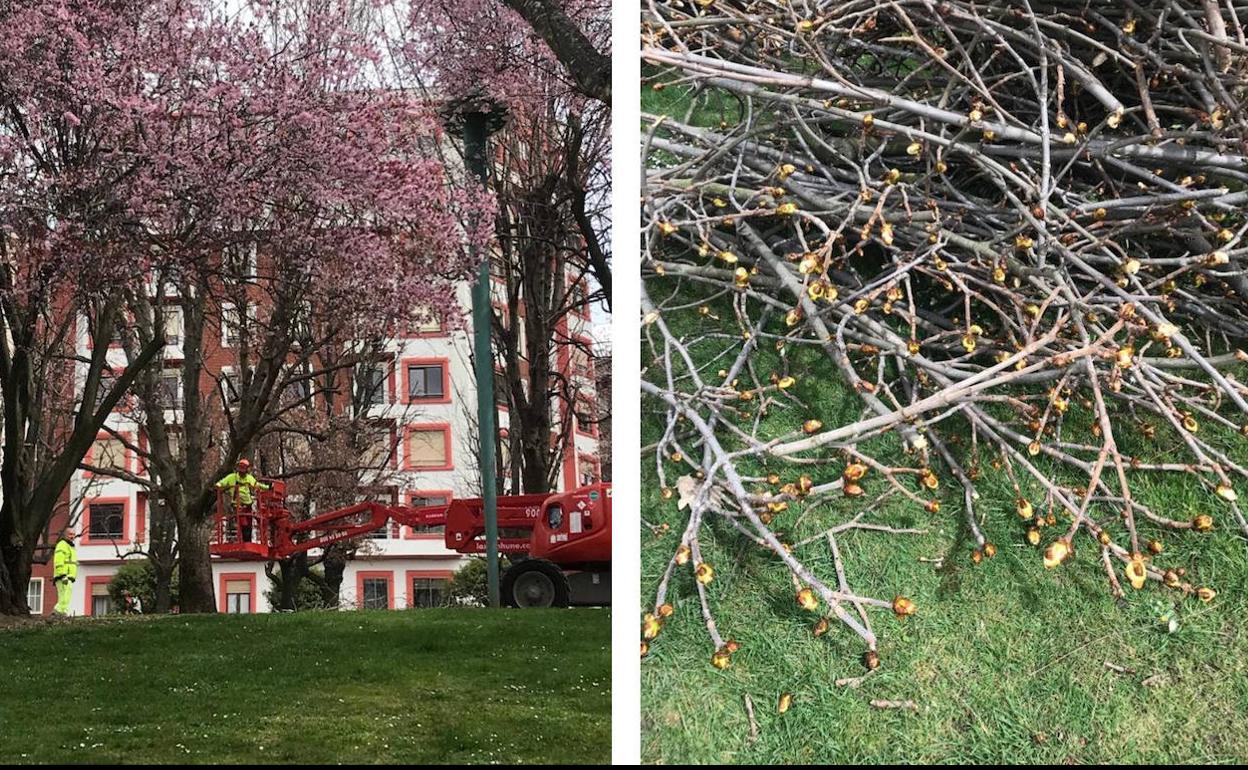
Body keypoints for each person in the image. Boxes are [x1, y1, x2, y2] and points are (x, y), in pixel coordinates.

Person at [215, 458, 270, 543]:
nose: (242, 471)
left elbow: (257, 485)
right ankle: (243, 541)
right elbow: (221, 483)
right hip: (237, 505)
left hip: (248, 505)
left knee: (249, 524)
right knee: (243, 524)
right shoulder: (231, 477)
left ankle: (247, 542)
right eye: (241, 468)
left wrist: (268, 488)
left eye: (244, 469)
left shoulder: (249, 478)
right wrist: (218, 486)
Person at [51, 526, 78, 616]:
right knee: (65, 595)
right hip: (64, 575)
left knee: (65, 595)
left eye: (74, 534)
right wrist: (62, 575)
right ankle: (58, 611)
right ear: (65, 535)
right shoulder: (63, 545)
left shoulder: (69, 546)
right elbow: (58, 561)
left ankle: (62, 612)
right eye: (70, 534)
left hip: (67, 575)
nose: (72, 536)